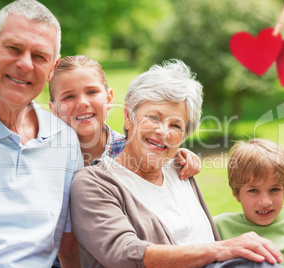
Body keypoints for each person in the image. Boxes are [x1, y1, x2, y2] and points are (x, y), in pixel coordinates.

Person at [70, 59, 284, 268]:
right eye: (153, 117)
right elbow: (124, 253)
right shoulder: (92, 183)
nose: (163, 132)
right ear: (128, 117)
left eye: (175, 125)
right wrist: (218, 249)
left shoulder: (180, 168)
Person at [0, 0, 84, 267]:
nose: (25, 64)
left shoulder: (64, 139)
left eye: (39, 56)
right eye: (14, 48)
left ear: (52, 68)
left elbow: (69, 245)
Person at [47, 55, 202, 267]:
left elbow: (156, 147)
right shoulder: (49, 163)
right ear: (53, 109)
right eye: (68, 97)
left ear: (109, 99)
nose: (82, 102)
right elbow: (65, 241)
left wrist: (178, 154)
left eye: (91, 92)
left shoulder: (127, 148)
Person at [213, 138, 284, 268]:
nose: (265, 202)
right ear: (236, 193)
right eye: (253, 190)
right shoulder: (220, 226)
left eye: (274, 189)